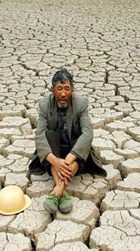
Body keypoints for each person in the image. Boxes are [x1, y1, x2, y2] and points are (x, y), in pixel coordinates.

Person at [28, 68, 106, 214]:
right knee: (48, 135)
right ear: (53, 90)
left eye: (67, 89)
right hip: (55, 150)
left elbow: (88, 133)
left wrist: (68, 160)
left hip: (73, 151)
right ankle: (62, 193)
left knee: (83, 144)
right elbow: (39, 135)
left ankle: (57, 191)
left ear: (72, 90)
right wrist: (55, 160)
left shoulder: (81, 103)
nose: (63, 93)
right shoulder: (45, 105)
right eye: (59, 89)